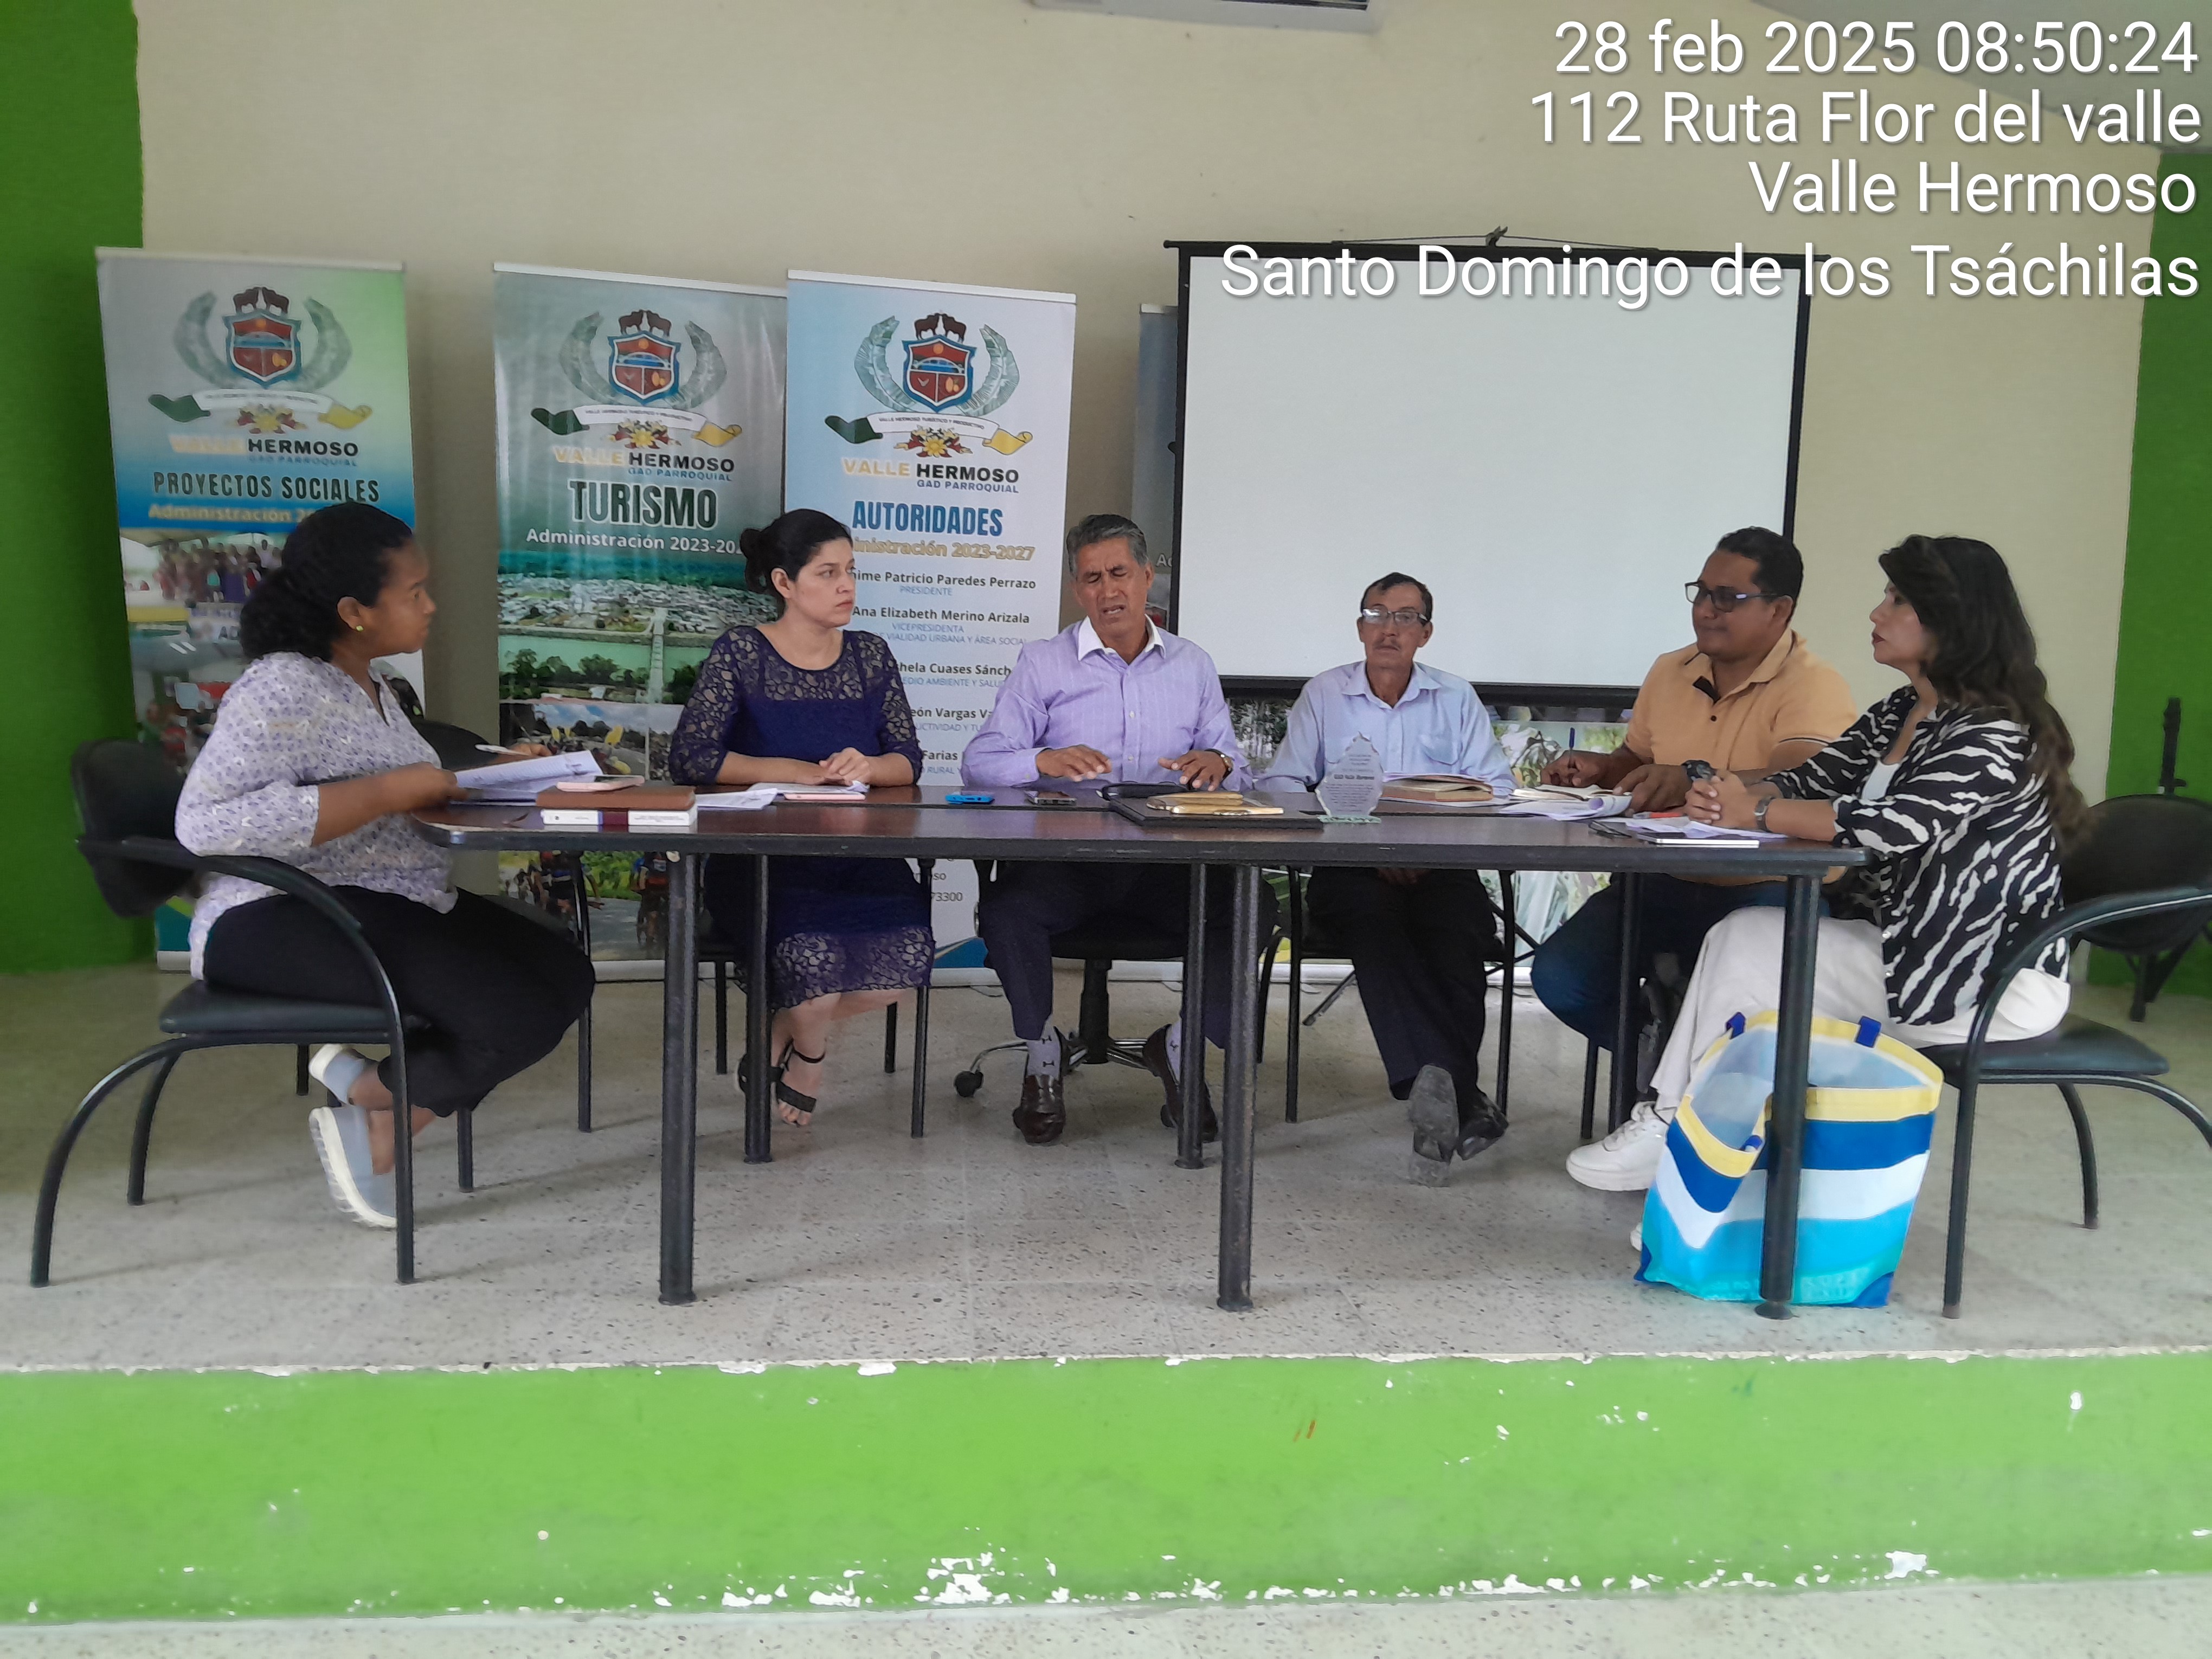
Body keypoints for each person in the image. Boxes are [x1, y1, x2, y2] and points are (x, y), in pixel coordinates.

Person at [1615, 534, 2080, 1209]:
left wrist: (1756, 812)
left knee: (1753, 958)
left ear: (1952, 620)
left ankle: (1689, 1154)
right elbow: (1807, 780)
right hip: (1907, 948)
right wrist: (1725, 794)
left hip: (1980, 977)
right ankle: (1685, 1142)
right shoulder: (1901, 711)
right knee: (1742, 936)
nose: (1876, 613)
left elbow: (1890, 826)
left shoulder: (1992, 732)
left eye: (1898, 601)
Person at [176, 502, 596, 1231]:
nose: (430, 606)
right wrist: (383, 793)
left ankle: (373, 1093)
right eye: (415, 592)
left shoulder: (374, 684)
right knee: (514, 1015)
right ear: (353, 611)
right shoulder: (284, 687)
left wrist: (500, 774)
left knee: (564, 973)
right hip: (278, 914)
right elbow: (202, 825)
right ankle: (380, 1126)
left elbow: (404, 781)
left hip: (388, 897)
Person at [1527, 528, 1860, 1189]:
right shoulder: (1670, 670)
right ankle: (1678, 1083)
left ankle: (1696, 1112)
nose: (1707, 609)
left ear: (1779, 610)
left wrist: (1692, 776)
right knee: (1563, 978)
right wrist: (1599, 768)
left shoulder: (1814, 684)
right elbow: (1638, 759)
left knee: (1754, 1012)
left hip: (1769, 889)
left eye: (1728, 597)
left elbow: (1801, 778)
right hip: (1667, 876)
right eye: (1702, 593)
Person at [961, 513, 1275, 1147]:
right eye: (1092, 578)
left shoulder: (1192, 664)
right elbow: (979, 761)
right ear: (1077, 589)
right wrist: (1042, 759)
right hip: (1068, 864)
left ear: (1146, 577)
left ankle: (1180, 1047)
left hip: (1169, 868)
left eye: (1119, 574)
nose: (1108, 591)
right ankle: (1042, 1051)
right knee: (1005, 909)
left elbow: (1236, 769)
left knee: (1252, 904)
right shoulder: (1044, 663)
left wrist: (1218, 764)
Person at [667, 508, 932, 1126]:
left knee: (908, 962)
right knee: (814, 969)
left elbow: (909, 760)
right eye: (828, 573)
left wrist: (869, 765)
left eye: (851, 571)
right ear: (784, 583)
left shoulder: (871, 655)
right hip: (764, 863)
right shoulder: (741, 652)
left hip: (860, 857)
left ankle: (778, 1030)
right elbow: (691, 756)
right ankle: (809, 1055)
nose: (847, 587)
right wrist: (791, 770)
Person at [1257, 573, 1519, 1182]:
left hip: (1440, 865)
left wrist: (1429, 846)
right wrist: (1359, 838)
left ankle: (1439, 1093)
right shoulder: (1326, 694)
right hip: (1351, 867)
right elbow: (1282, 785)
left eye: (1405, 617)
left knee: (1461, 931)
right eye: (1377, 614)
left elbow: (1497, 790)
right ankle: (1458, 1097)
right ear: (1360, 627)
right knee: (1375, 925)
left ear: (1426, 633)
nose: (1389, 628)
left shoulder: (1455, 697)